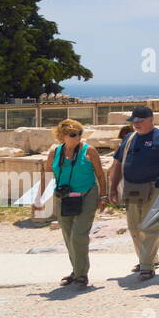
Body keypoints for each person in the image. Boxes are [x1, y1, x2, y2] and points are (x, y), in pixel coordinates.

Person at [108, 105, 159, 280]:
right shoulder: (129, 138)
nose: (136, 124)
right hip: (132, 188)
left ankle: (146, 266)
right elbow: (118, 164)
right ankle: (149, 258)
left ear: (151, 120)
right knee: (134, 227)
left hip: (157, 187)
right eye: (134, 121)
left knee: (151, 226)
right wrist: (112, 188)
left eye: (140, 121)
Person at [44, 119, 108, 287]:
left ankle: (81, 274)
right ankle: (76, 270)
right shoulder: (55, 152)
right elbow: (47, 175)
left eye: (80, 133)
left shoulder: (90, 151)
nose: (77, 137)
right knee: (68, 236)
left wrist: (103, 196)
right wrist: (38, 199)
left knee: (79, 235)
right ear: (62, 136)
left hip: (86, 195)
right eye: (73, 134)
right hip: (64, 197)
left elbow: (100, 175)